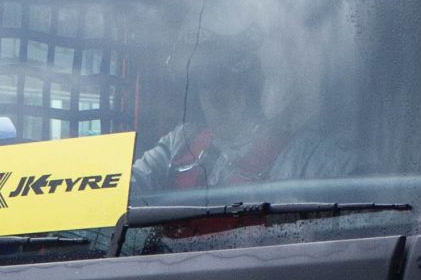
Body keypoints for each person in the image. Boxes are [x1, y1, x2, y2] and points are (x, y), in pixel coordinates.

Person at [131, 37, 355, 194]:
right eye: (205, 84)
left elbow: (364, 188)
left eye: (225, 81)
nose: (215, 95)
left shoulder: (302, 155)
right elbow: (127, 185)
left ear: (249, 88)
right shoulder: (180, 143)